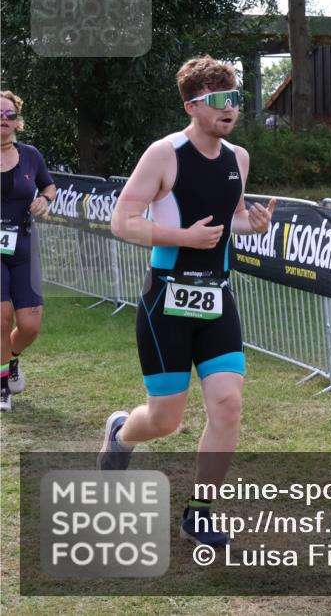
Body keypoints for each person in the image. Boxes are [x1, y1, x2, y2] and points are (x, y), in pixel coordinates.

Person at [98, 57, 277, 547]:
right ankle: (121, 432)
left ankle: (198, 513)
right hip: (167, 302)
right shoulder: (164, 153)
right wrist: (182, 236)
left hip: (217, 297)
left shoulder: (238, 158)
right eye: (219, 99)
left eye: (236, 97)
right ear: (191, 106)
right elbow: (122, 221)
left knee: (228, 405)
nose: (231, 108)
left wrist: (251, 224)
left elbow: (231, 218)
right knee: (164, 421)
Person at [0, 91, 56, 413]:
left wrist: (45, 201)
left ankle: (12, 360)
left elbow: (48, 185)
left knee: (30, 324)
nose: (3, 121)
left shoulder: (31, 155)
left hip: (22, 246)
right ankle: (2, 386)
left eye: (9, 115)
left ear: (17, 122)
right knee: (2, 317)